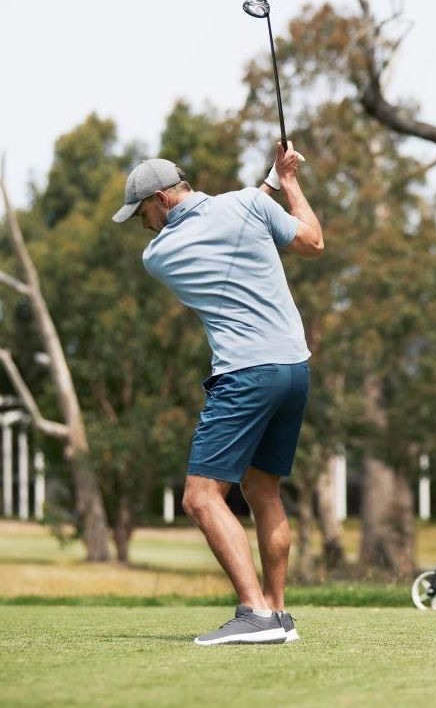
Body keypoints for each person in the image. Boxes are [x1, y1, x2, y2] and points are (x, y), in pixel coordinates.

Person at [112, 142, 323, 644]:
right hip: (294, 369)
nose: (144, 225)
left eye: (142, 213)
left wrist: (269, 181)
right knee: (263, 490)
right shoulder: (247, 204)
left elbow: (226, 219)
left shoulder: (159, 256)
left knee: (201, 497)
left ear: (162, 199)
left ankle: (255, 613)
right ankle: (278, 613)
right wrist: (286, 181)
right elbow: (312, 241)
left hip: (245, 375)